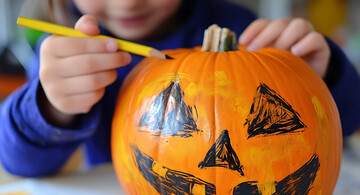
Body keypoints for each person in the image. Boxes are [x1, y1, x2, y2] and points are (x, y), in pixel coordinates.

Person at [0, 0, 359, 177]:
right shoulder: (67, 53)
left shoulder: (241, 31)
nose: (128, 2)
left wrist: (317, 80)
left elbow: (349, 121)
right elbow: (19, 163)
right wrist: (50, 106)